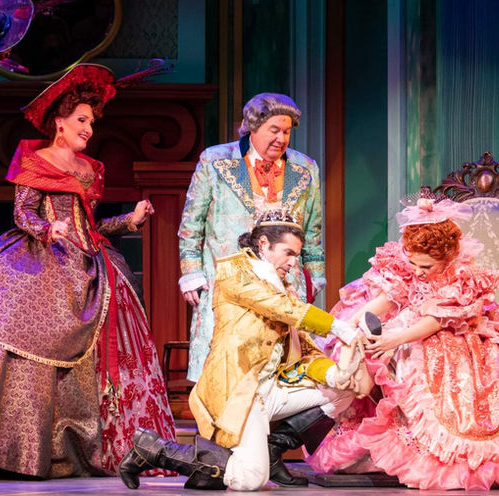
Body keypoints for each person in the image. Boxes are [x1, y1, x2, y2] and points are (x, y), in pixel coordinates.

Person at [0, 64, 175, 478]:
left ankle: (77, 447)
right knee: (8, 324)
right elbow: (22, 213)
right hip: (40, 258)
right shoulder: (36, 160)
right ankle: (5, 446)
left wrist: (130, 221)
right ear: (59, 122)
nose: (89, 129)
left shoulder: (91, 169)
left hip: (89, 264)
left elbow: (92, 227)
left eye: (92, 122)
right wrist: (49, 229)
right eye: (81, 120)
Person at [307, 197, 499, 490]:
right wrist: (346, 325)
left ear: (447, 259)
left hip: (449, 331)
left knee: (434, 359)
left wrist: (394, 338)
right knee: (362, 347)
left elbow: (437, 320)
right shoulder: (409, 264)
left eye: (426, 267)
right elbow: (389, 298)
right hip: (407, 321)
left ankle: (444, 451)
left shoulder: (460, 276)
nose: (417, 272)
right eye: (414, 264)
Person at [119, 209, 370, 491]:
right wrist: (339, 327)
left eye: (297, 255)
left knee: (342, 391)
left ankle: (271, 451)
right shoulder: (235, 272)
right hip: (240, 390)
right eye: (288, 253)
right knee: (250, 480)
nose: (293, 262)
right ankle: (154, 449)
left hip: (271, 390)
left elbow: (305, 349)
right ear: (263, 243)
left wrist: (336, 375)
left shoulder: (283, 287)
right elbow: (281, 307)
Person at [178, 93, 325, 382]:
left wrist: (315, 274)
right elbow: (191, 224)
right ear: (253, 127)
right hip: (230, 277)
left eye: (287, 132)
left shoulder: (305, 168)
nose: (281, 139)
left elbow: (313, 229)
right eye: (274, 130)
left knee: (282, 362)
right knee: (227, 364)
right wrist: (191, 271)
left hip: (284, 280)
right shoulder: (215, 160)